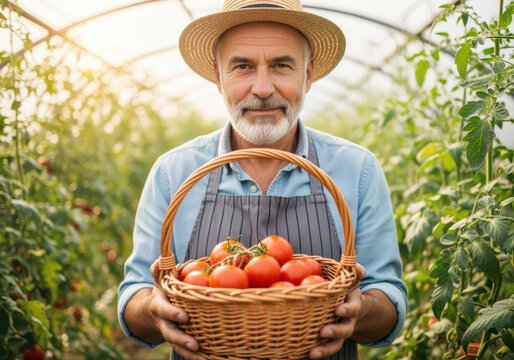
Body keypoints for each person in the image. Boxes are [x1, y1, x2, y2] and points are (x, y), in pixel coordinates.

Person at [118, 1, 407, 359]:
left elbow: (389, 299)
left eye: (282, 65)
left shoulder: (357, 169)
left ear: (309, 74)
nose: (263, 87)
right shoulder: (172, 173)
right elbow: (135, 295)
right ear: (218, 76)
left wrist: (361, 311)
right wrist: (153, 309)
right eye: (242, 67)